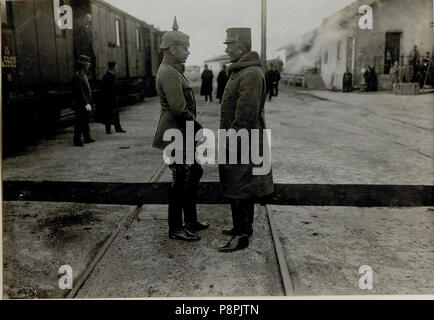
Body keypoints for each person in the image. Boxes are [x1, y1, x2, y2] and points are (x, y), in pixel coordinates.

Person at [152, 17, 209, 241]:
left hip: (181, 133)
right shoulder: (168, 73)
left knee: (193, 173)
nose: (187, 52)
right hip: (176, 133)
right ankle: (176, 228)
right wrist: (199, 126)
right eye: (185, 48)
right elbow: (178, 109)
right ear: (172, 48)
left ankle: (191, 221)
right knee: (180, 180)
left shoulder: (173, 70)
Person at [218, 27, 274, 252]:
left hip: (243, 139)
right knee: (238, 184)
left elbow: (246, 115)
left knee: (241, 185)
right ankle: (241, 227)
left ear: (241, 47)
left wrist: (231, 140)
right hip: (238, 138)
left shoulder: (249, 73)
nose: (227, 49)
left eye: (229, 45)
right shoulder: (241, 71)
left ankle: (242, 234)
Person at [71, 55, 95, 147]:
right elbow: (80, 92)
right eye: (87, 64)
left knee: (85, 121)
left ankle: (87, 137)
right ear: (83, 65)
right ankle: (77, 140)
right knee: (80, 122)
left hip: (85, 102)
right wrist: (86, 103)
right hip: (81, 103)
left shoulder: (82, 75)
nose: (89, 65)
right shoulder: (77, 76)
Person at [101, 62, 126, 134]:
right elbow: (110, 88)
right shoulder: (108, 76)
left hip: (112, 98)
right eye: (116, 67)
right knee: (109, 114)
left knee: (115, 114)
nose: (116, 68)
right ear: (113, 67)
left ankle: (118, 128)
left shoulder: (110, 75)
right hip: (109, 99)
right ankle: (109, 130)